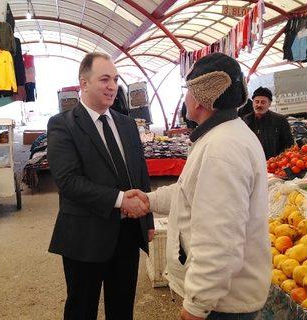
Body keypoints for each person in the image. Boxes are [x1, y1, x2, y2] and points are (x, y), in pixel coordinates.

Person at [128, 53, 272, 320]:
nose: (185, 99)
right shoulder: (223, 136)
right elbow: (191, 193)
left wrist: (196, 305)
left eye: (188, 90)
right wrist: (150, 200)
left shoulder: (222, 148)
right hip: (223, 297)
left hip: (223, 305)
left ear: (202, 97)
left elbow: (220, 239)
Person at [47, 52, 155, 320]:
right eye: (104, 79)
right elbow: (69, 182)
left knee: (122, 309)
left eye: (115, 79)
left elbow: (140, 173)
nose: (112, 86)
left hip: (127, 233)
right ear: (83, 83)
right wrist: (120, 200)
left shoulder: (127, 123)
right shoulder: (62, 125)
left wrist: (147, 219)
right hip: (86, 236)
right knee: (81, 309)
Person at [242, 87, 294, 159]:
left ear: (269, 104)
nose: (259, 105)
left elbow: (289, 144)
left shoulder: (280, 120)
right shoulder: (245, 120)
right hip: (255, 163)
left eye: (263, 102)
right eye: (256, 101)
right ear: (253, 102)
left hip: (275, 164)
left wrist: (279, 159)